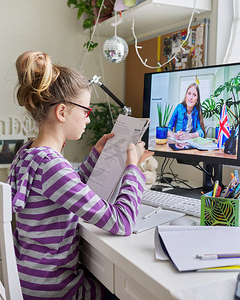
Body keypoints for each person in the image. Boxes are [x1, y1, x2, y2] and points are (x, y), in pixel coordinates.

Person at [8, 51, 146, 299]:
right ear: (62, 112)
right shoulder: (52, 167)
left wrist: (95, 155)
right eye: (85, 110)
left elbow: (61, 191)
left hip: (31, 280)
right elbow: (122, 222)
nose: (87, 118)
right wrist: (133, 169)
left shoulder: (27, 153)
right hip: (56, 290)